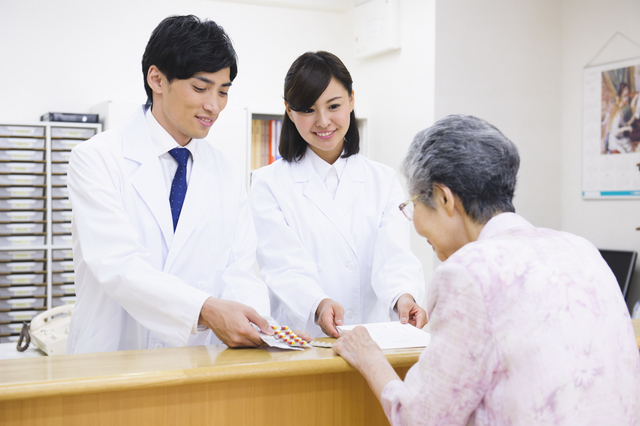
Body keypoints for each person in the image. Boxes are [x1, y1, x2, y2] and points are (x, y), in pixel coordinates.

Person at [334, 115, 640, 425]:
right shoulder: (581, 249)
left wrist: (369, 357)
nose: (413, 219)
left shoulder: (468, 274)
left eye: (413, 203)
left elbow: (422, 419)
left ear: (444, 198)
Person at [66, 15, 273, 354]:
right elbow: (117, 264)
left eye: (223, 92)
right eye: (201, 88)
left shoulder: (227, 172)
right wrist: (205, 309)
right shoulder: (96, 159)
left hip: (198, 362)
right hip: (111, 360)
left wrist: (256, 327)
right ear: (157, 79)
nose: (214, 106)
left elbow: (240, 270)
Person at [250, 51, 426, 338]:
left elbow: (395, 258)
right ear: (289, 111)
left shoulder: (382, 180)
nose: (323, 121)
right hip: (305, 338)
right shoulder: (268, 183)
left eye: (333, 106)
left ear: (352, 100)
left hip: (374, 337)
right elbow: (282, 266)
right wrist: (318, 305)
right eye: (308, 110)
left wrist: (404, 297)